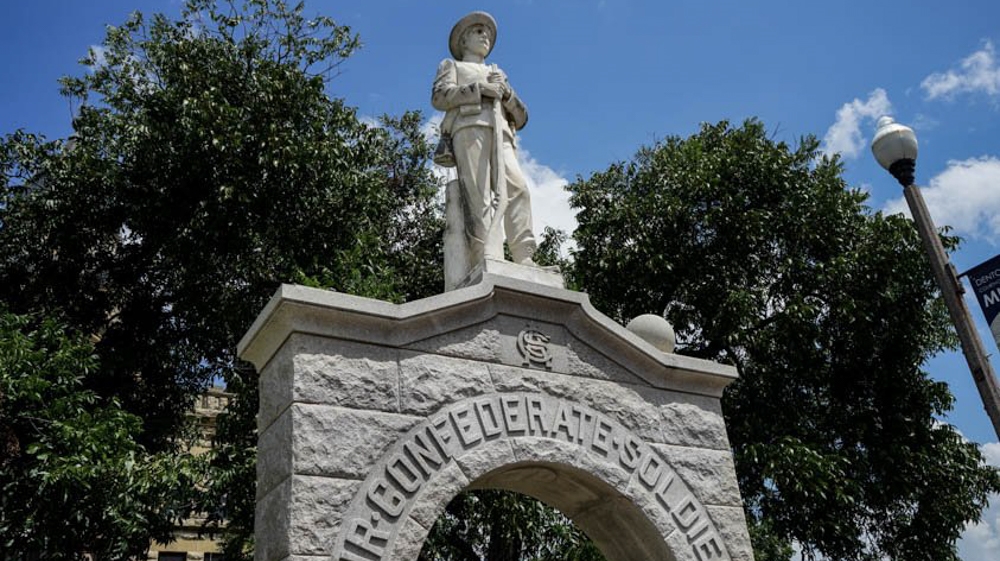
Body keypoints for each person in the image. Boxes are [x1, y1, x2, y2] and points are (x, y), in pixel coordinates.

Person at [432, 11, 538, 288]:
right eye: (478, 31)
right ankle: (486, 255)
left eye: (488, 33)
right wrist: (479, 89)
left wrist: (505, 94)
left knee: (517, 188)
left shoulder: (498, 72)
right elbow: (440, 97)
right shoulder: (452, 65)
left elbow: (522, 117)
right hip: (469, 128)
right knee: (477, 195)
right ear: (463, 40)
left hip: (501, 132)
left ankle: (524, 255)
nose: (485, 36)